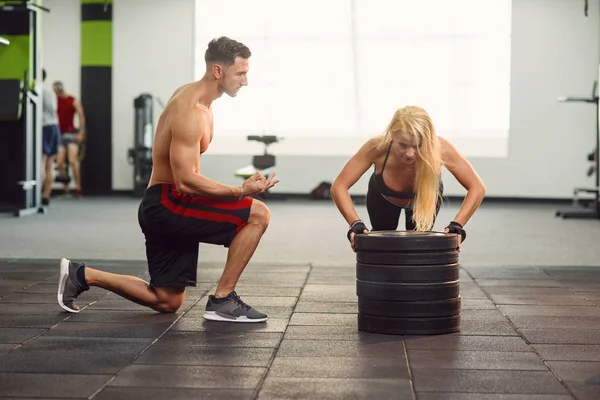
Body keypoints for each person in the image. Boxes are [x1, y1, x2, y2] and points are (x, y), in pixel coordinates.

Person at [57, 36, 279, 323]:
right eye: (240, 73)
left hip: (167, 202)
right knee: (258, 213)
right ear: (218, 71)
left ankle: (80, 275)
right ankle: (223, 300)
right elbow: (186, 180)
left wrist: (241, 190)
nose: (245, 81)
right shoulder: (190, 111)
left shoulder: (200, 101)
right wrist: (240, 190)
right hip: (168, 203)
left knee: (166, 301)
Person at [330, 105, 486, 251]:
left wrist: (458, 225)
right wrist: (355, 223)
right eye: (403, 145)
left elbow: (477, 187)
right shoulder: (376, 147)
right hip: (383, 198)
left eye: (418, 145)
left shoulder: (441, 148)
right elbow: (339, 186)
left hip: (423, 200)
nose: (410, 153)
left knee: (418, 249)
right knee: (382, 248)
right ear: (392, 135)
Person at [53, 80, 86, 197]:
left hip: (71, 134)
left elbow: (81, 116)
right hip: (59, 134)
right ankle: (66, 188)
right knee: (60, 162)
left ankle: (78, 188)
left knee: (72, 161)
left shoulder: (73, 100)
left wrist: (81, 132)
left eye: (56, 90)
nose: (55, 93)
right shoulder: (55, 101)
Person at [40, 69, 61, 206]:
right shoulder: (50, 91)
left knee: (41, 162)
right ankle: (45, 195)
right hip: (54, 127)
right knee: (50, 164)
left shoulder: (38, 89)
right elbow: (54, 110)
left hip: (43, 127)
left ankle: (37, 196)